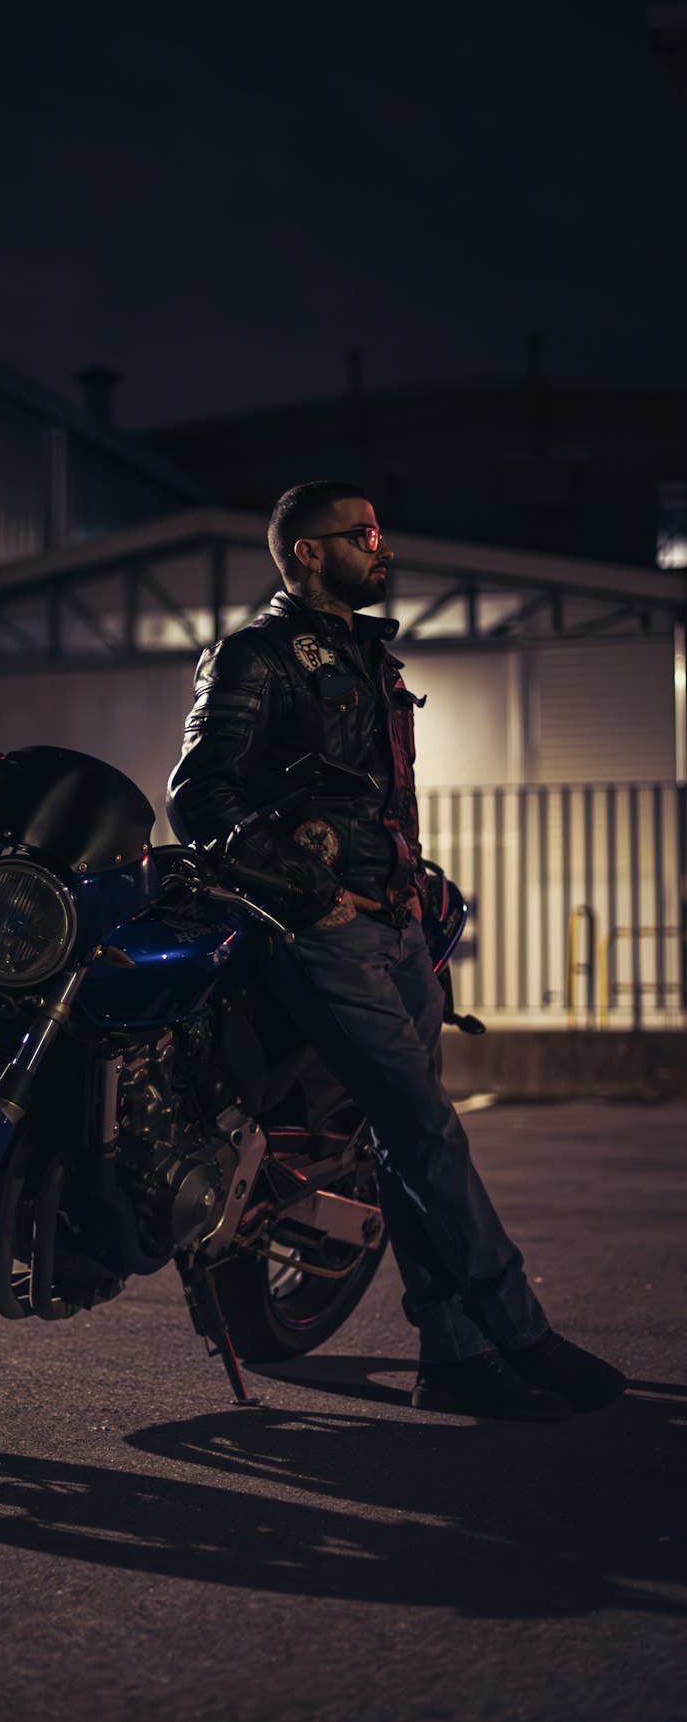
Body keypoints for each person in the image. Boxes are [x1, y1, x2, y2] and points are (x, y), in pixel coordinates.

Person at [167, 479, 625, 1421]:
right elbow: (201, 797)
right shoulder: (256, 656)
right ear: (306, 552)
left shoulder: (367, 656)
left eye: (380, 532)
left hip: (395, 925)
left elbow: (369, 799)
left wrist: (408, 888)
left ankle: (453, 1361)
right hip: (323, 932)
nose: (383, 546)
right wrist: (310, 889)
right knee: (421, 1129)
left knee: (400, 1142)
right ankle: (521, 1331)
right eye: (362, 533)